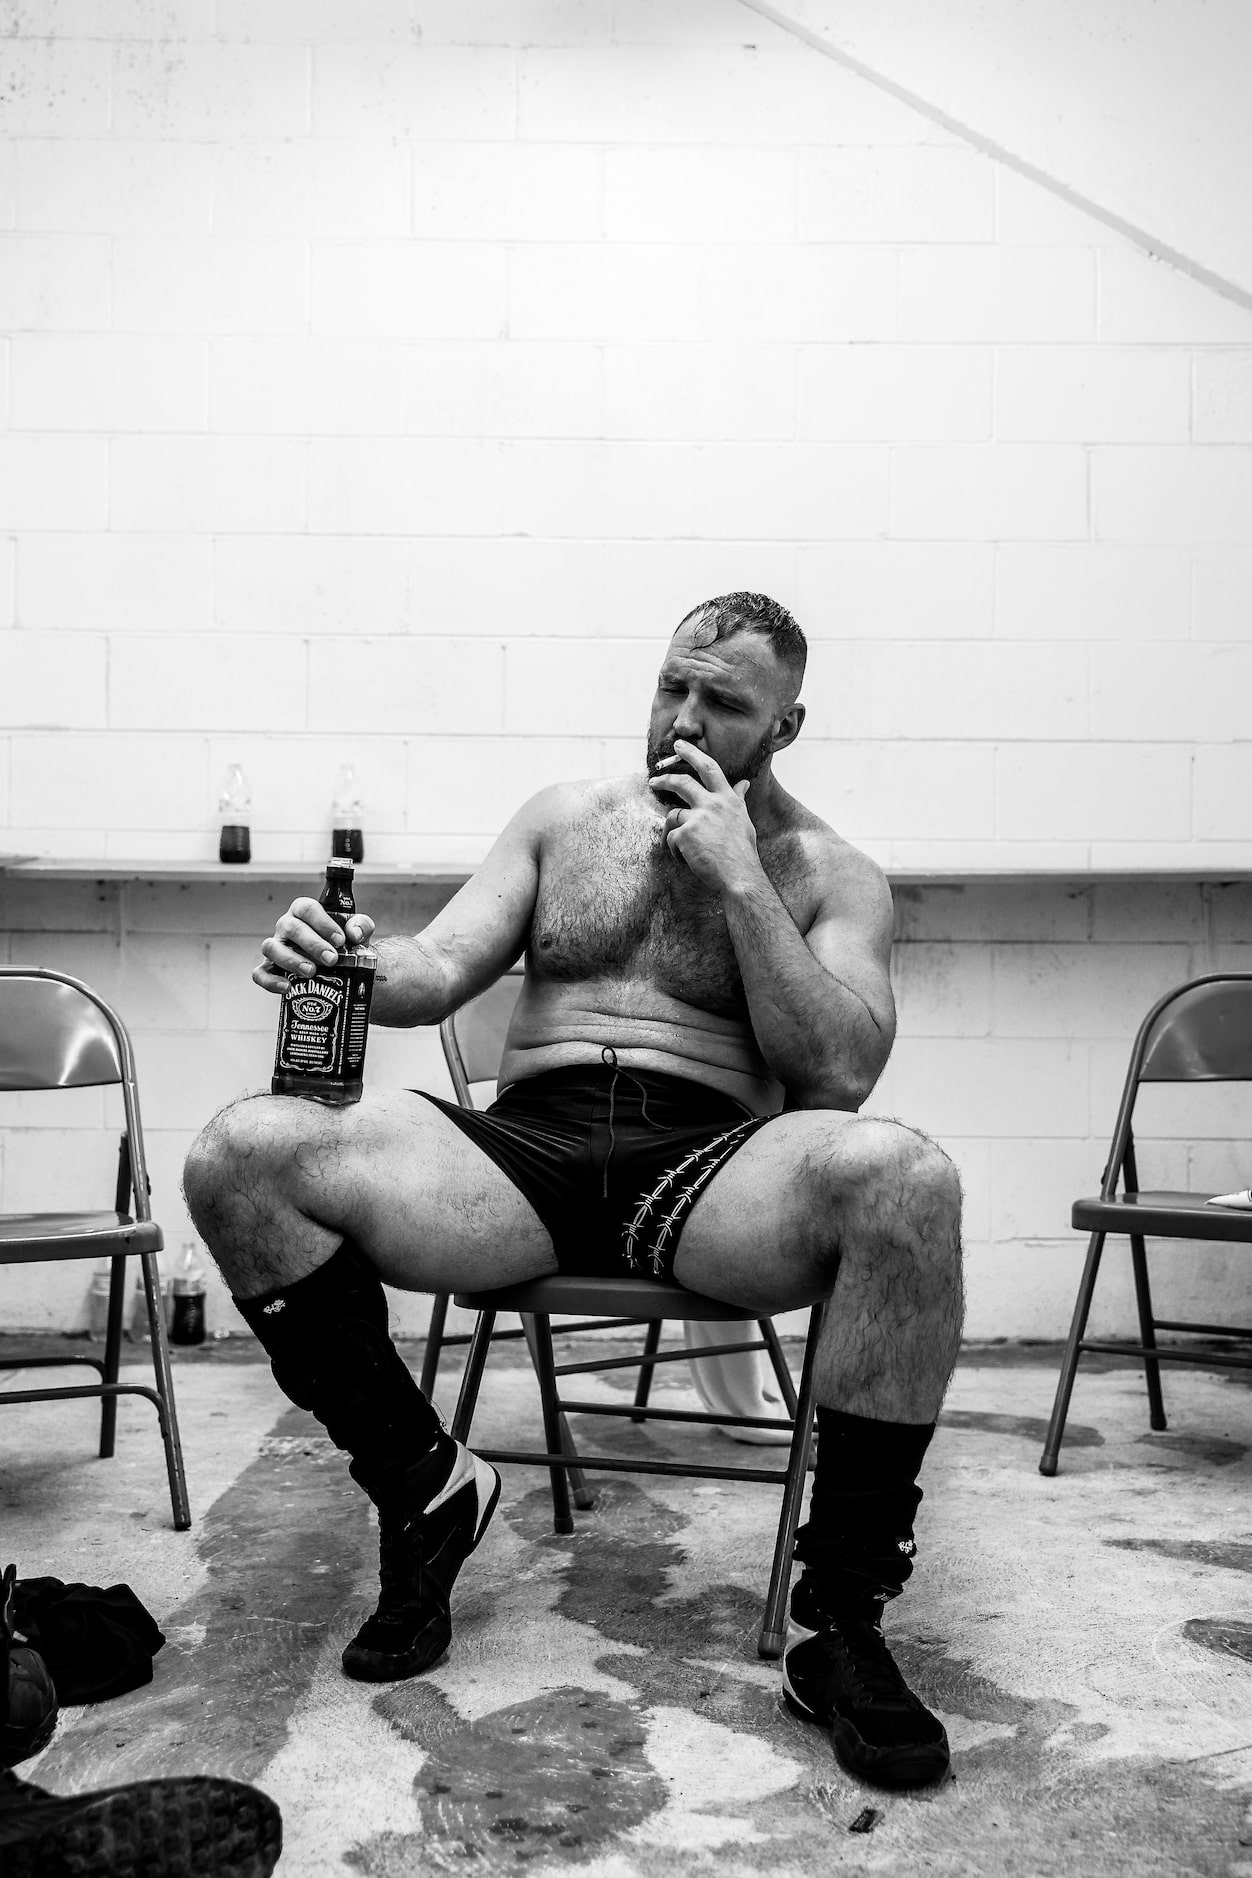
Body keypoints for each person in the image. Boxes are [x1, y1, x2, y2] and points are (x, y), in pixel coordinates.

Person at [183, 593, 964, 1793]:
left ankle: (839, 1624)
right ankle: (425, 1487)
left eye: (723, 704)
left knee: (907, 1181)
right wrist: (347, 956)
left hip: (705, 1164)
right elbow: (437, 969)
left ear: (785, 727)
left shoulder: (832, 874)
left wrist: (745, 881)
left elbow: (840, 1075)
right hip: (523, 1149)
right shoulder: (561, 821)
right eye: (671, 687)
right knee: (240, 1152)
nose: (682, 721)